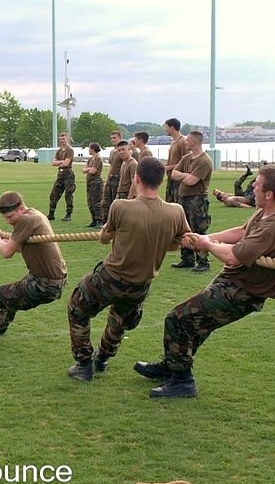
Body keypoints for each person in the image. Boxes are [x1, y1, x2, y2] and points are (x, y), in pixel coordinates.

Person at [136, 164, 275, 398]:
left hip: (244, 290)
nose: (252, 185)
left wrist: (207, 245)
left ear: (270, 194)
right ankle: (172, 366)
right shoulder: (272, 209)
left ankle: (182, 381)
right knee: (197, 323)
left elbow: (233, 256)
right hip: (235, 281)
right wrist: (206, 237)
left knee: (178, 319)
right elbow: (243, 232)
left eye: (258, 184)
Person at [66, 157, 190, 381]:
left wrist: (111, 230)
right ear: (161, 181)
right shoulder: (176, 212)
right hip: (140, 285)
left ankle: (84, 364)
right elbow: (178, 243)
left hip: (110, 278)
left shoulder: (120, 206)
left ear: (137, 178)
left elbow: (104, 239)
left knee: (77, 307)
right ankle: (102, 358)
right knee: (119, 322)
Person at [0, 191, 68, 344]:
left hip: (44, 285)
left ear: (21, 208)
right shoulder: (34, 214)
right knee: (11, 293)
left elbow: (7, 253)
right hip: (50, 280)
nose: (8, 221)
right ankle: (0, 326)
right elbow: (21, 248)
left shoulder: (26, 220)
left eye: (10, 217)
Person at [171, 130, 213, 273]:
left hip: (197, 200)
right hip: (184, 199)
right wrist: (186, 175)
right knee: (184, 229)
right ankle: (187, 258)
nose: (186, 141)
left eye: (188, 139)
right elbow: (173, 174)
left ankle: (203, 261)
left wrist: (185, 176)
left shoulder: (204, 161)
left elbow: (191, 181)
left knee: (198, 230)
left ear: (195, 141)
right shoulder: (187, 158)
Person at [47, 132, 75, 221]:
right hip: (60, 174)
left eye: (64, 139)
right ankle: (51, 213)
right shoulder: (59, 151)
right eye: (61, 139)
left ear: (67, 139)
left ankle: (68, 214)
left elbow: (66, 163)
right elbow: (53, 163)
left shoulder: (70, 150)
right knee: (54, 194)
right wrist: (61, 162)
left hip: (68, 174)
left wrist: (59, 162)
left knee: (68, 194)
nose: (62, 141)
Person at [163, 117, 189, 203]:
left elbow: (186, 161)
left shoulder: (183, 142)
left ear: (172, 128)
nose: (165, 129)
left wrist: (170, 167)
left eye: (166, 127)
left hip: (178, 180)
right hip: (171, 179)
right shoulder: (173, 142)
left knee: (178, 205)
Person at [101, 131, 124, 224]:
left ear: (120, 138)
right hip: (111, 178)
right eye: (111, 138)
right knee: (106, 201)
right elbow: (111, 166)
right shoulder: (112, 152)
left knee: (116, 202)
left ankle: (116, 222)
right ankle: (106, 222)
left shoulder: (122, 152)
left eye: (115, 138)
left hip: (118, 178)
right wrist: (107, 180)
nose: (113, 140)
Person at [83, 142, 104, 228]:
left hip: (96, 182)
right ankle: (94, 219)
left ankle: (100, 220)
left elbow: (93, 171)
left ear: (92, 149)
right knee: (90, 201)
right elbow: (84, 170)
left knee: (96, 202)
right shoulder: (90, 159)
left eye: (89, 148)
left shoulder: (98, 158)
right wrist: (89, 169)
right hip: (90, 182)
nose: (88, 150)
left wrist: (88, 169)